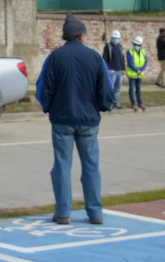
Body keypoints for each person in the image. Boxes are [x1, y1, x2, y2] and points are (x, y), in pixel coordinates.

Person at [37, 14, 113, 226]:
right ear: (81, 35)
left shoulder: (54, 58)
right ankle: (95, 212)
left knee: (62, 165)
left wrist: (48, 108)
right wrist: (103, 106)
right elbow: (106, 89)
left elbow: (44, 88)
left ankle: (62, 212)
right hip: (88, 120)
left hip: (62, 119)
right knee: (91, 166)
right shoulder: (95, 57)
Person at [102, 30, 128, 109]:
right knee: (110, 88)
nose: (116, 40)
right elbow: (105, 58)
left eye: (117, 38)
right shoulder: (108, 47)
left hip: (119, 70)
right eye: (115, 38)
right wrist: (108, 69)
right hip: (112, 70)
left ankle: (116, 103)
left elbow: (122, 58)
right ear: (112, 38)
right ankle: (109, 103)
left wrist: (123, 68)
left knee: (117, 88)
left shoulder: (120, 47)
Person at [125, 35, 148, 111]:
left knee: (138, 89)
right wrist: (136, 70)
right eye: (135, 44)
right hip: (132, 74)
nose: (136, 46)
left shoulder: (143, 52)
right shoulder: (130, 51)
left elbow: (145, 61)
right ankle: (133, 104)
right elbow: (130, 62)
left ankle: (140, 103)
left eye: (137, 45)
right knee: (131, 89)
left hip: (139, 74)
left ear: (140, 45)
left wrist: (142, 69)